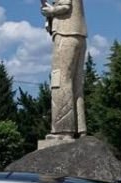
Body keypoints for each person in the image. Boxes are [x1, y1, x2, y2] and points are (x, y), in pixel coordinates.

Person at [40, 0, 88, 138]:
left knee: (60, 80)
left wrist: (51, 11)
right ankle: (80, 128)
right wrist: (50, 16)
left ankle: (63, 130)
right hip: (78, 34)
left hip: (66, 34)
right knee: (75, 84)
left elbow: (66, 6)